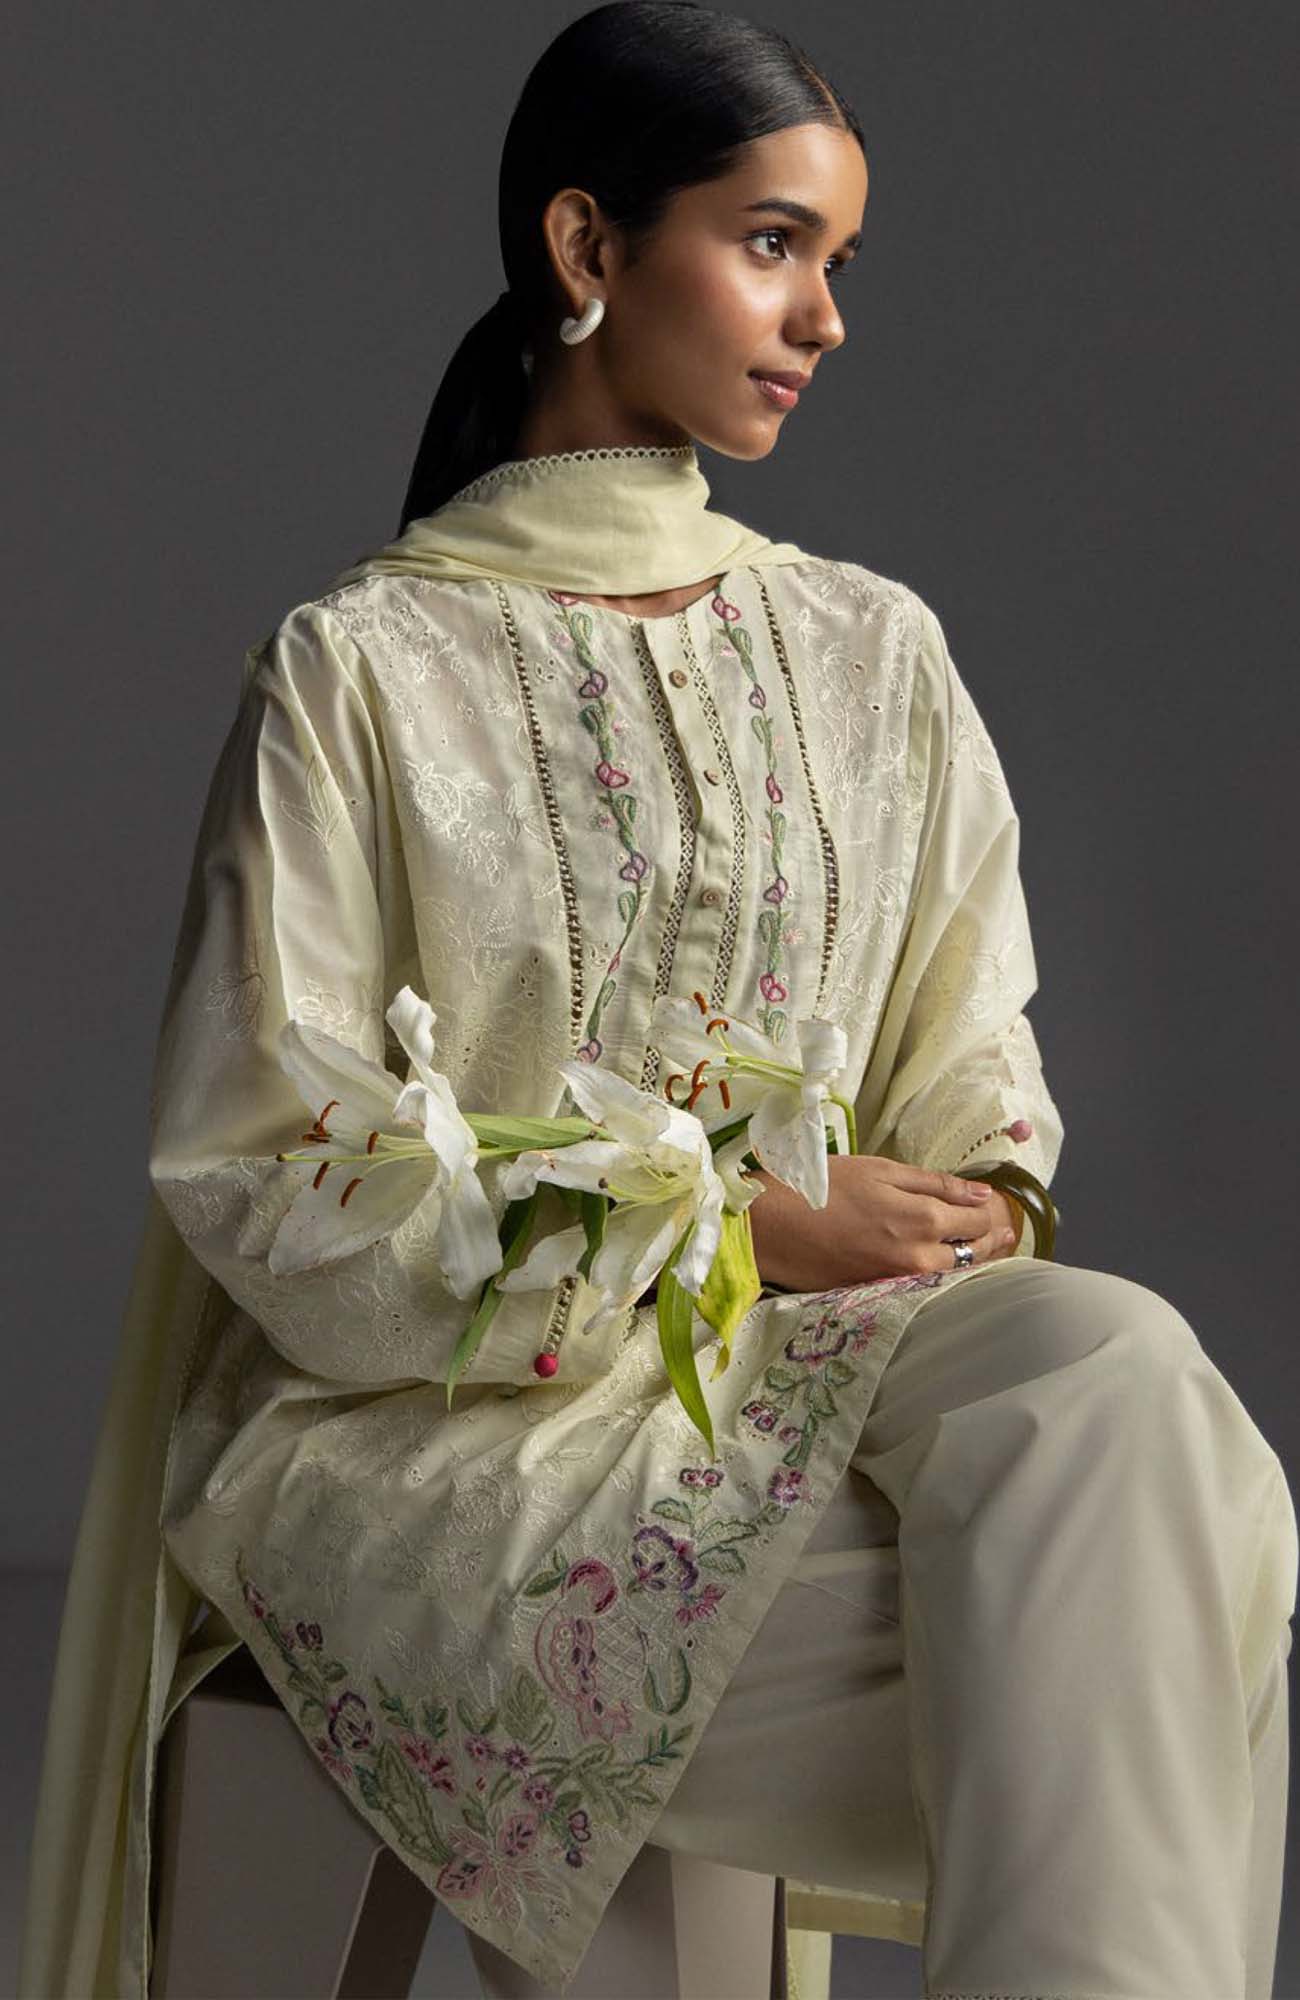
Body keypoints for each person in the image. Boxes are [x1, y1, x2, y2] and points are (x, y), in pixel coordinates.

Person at [18, 5, 1296, 1998]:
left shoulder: (872, 651)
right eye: (773, 244)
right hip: (434, 1435)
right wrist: (735, 1226)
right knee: (1157, 1582)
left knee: (1114, 1376)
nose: (825, 319)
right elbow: (268, 1174)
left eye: (837, 262)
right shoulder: (363, 673)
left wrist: (964, 1202)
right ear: (587, 245)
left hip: (823, 1380)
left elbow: (970, 1053)